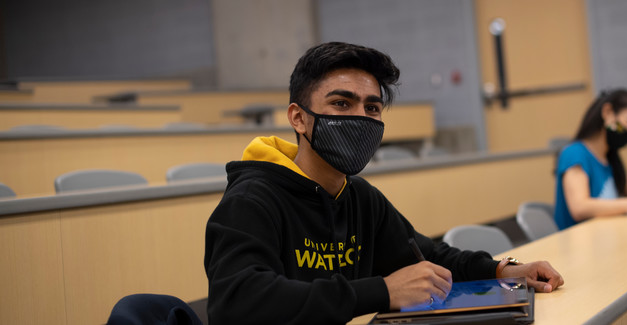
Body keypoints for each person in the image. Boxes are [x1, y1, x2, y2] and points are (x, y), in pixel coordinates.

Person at [204, 42, 563, 325]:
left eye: (372, 108)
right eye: (342, 103)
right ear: (298, 118)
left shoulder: (359, 196)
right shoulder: (251, 199)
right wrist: (382, 291)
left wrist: (505, 271)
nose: (361, 118)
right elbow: (238, 302)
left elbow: (429, 256)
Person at [553, 88, 627, 230]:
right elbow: (579, 208)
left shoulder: (610, 158)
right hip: (579, 245)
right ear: (607, 112)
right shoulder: (574, 153)